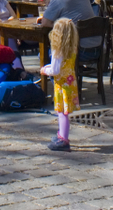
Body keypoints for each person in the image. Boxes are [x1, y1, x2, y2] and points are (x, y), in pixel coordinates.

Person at [40, 18, 80, 152]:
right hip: (70, 82)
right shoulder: (72, 48)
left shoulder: (58, 51)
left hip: (61, 85)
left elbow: (55, 70)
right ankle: (62, 134)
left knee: (62, 112)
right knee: (64, 112)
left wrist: (45, 70)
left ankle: (63, 139)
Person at [39, 0, 104, 50]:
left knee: (46, 54)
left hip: (77, 51)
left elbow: (45, 23)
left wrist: (61, 24)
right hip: (97, 48)